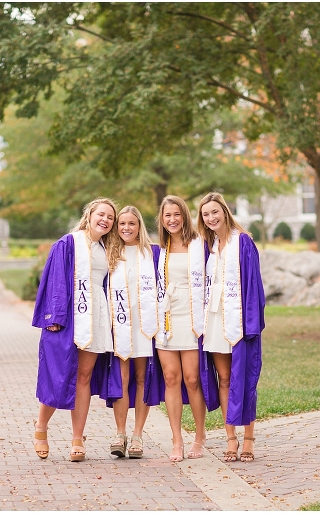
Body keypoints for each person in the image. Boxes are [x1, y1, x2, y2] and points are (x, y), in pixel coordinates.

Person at [31, 197, 121, 462]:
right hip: (70, 316)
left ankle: (77, 439)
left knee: (83, 376)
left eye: (110, 218)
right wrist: (55, 317)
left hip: (96, 317)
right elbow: (57, 280)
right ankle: (41, 426)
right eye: (101, 214)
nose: (105, 220)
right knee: (59, 376)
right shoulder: (69, 243)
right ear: (89, 214)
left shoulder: (107, 247)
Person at [197, 192, 265, 463]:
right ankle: (230, 439)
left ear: (225, 211)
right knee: (224, 378)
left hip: (239, 320)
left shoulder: (243, 243)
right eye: (205, 214)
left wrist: (252, 324)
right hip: (215, 319)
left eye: (215, 212)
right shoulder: (210, 247)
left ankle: (248, 439)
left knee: (243, 378)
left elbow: (254, 286)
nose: (211, 218)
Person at [155, 195, 218, 462]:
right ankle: (176, 440)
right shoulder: (159, 248)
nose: (172, 220)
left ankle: (200, 435)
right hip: (166, 317)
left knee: (192, 379)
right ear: (162, 219)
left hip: (192, 317)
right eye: (167, 215)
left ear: (185, 216)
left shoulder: (199, 244)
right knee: (171, 378)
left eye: (176, 214)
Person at [105, 205, 161, 458]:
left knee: (142, 379)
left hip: (144, 323)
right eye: (122, 224)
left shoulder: (152, 253)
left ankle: (138, 435)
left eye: (132, 223)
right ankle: (120, 433)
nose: (126, 228)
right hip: (119, 324)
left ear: (140, 227)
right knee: (122, 379)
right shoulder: (109, 254)